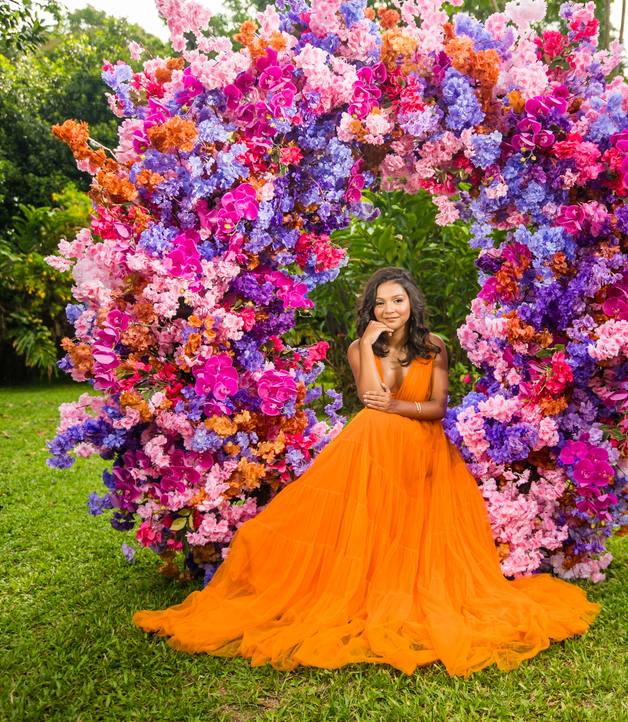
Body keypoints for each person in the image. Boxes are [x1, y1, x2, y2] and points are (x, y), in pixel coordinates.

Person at [132, 266, 601, 677]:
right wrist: (374, 347)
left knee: (382, 421)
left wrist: (398, 405)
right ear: (372, 310)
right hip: (374, 445)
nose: (391, 308)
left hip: (424, 449)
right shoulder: (362, 346)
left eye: (398, 300)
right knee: (373, 422)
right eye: (381, 303)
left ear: (412, 305)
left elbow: (436, 408)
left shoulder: (433, 345)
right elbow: (369, 398)